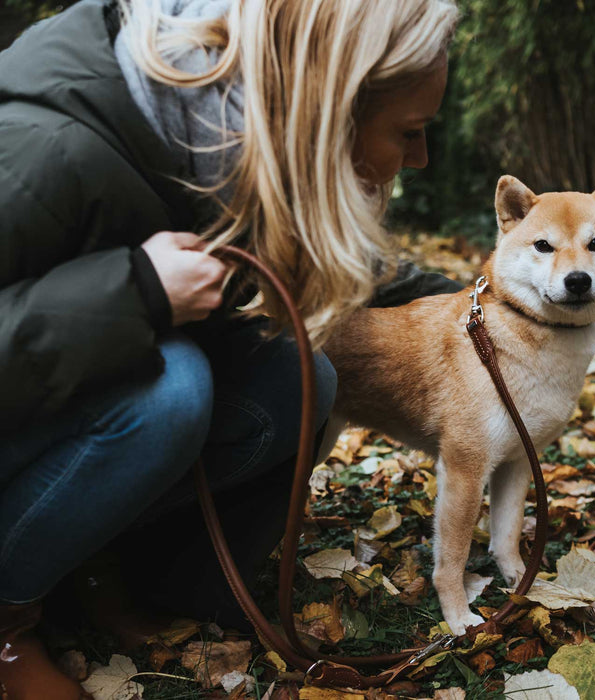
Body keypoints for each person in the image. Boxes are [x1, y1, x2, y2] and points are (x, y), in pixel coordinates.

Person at [0, 0, 462, 696]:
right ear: (330, 105)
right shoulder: (42, 147)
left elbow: (355, 271)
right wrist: (139, 293)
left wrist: (494, 298)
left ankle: (113, 574)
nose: (420, 158)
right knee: (171, 389)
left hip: (50, 418)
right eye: (412, 131)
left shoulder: (227, 127)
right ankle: (9, 619)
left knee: (297, 377)